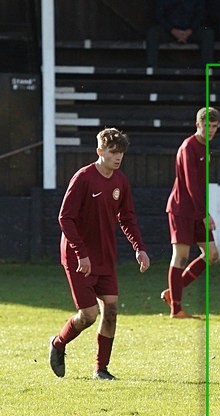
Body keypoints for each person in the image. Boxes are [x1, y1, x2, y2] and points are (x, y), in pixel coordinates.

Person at [50, 128, 150, 380]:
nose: (118, 158)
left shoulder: (121, 182)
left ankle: (100, 369)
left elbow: (127, 217)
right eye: (113, 152)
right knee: (89, 315)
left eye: (121, 153)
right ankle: (59, 343)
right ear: (100, 151)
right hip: (78, 257)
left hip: (104, 256)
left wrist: (139, 248)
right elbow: (65, 218)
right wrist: (80, 253)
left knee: (112, 310)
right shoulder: (83, 178)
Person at [161, 107, 220, 318]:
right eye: (207, 126)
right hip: (182, 209)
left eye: (214, 126)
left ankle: (173, 292)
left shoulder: (206, 148)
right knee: (181, 256)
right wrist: (205, 214)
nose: (211, 130)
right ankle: (176, 309)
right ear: (198, 125)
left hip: (197, 211)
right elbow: (190, 184)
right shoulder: (189, 147)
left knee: (212, 254)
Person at [146, 0, 214, 68]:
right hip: (169, 32)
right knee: (153, 32)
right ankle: (151, 69)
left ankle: (208, 71)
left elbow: (201, 15)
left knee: (207, 33)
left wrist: (190, 30)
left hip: (191, 32)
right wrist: (172, 30)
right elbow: (159, 15)